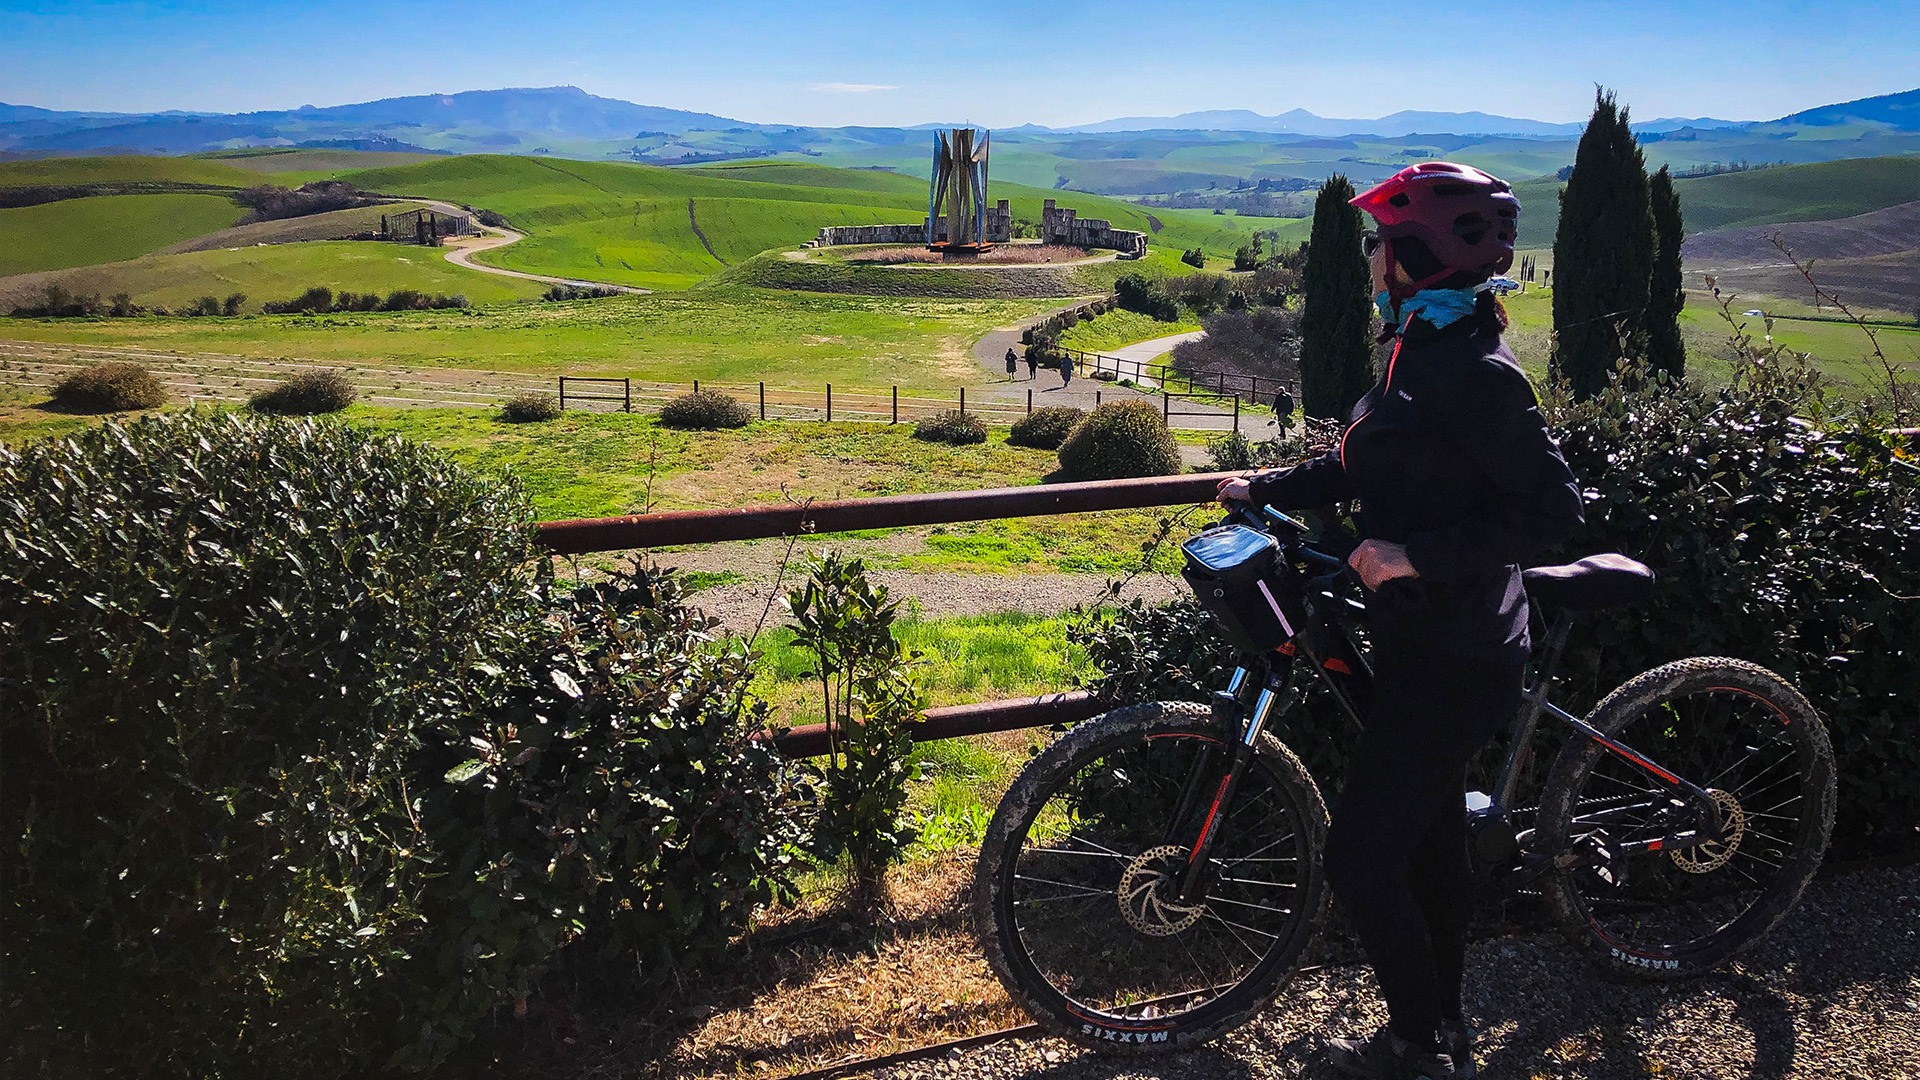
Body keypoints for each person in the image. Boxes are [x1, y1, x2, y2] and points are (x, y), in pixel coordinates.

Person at [1218, 162, 1583, 1080]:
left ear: (1419, 256)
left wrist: (1418, 555)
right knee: (1427, 845)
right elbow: (1363, 462)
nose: (1373, 257)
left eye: (1383, 241)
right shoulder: (1416, 348)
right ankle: (1443, 1030)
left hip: (1461, 653)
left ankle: (1417, 1046)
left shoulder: (1477, 374)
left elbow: (1553, 513)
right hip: (1419, 637)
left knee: (1360, 860)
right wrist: (1264, 487)